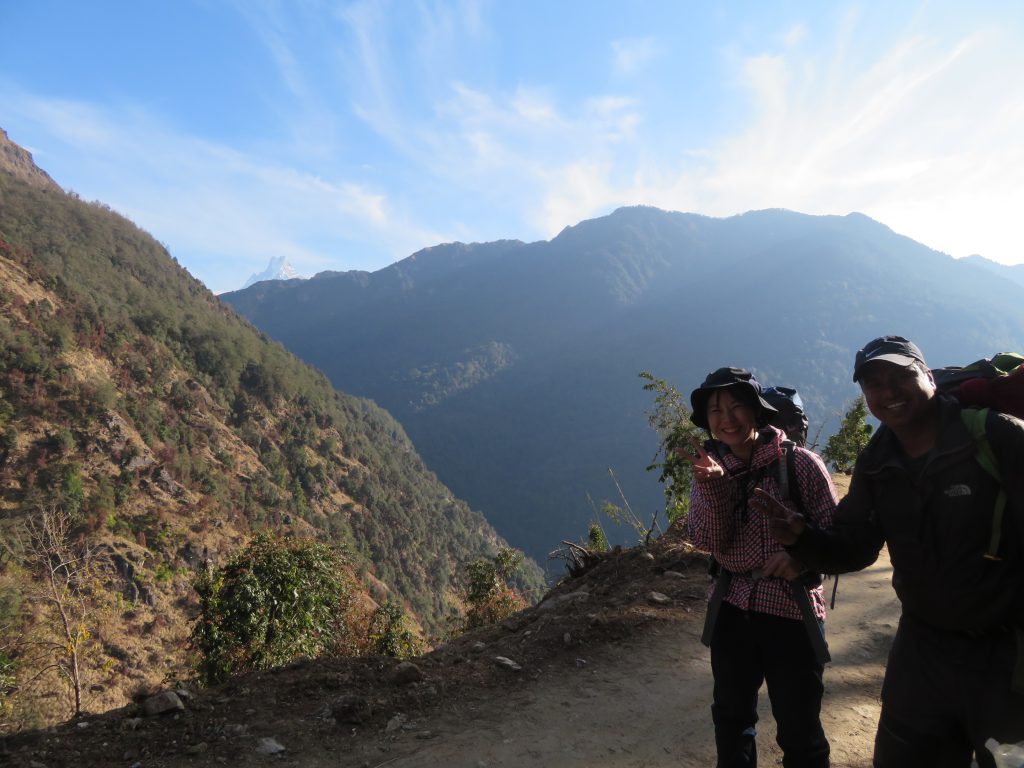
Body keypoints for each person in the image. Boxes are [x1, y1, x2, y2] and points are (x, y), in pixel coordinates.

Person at [754, 336, 1024, 768]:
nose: (889, 391)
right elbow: (854, 547)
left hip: (1008, 658)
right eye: (874, 384)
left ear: (928, 376)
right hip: (922, 652)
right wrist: (802, 538)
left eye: (901, 376)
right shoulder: (877, 461)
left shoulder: (996, 436)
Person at [684, 367, 837, 768]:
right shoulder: (708, 469)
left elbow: (837, 538)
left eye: (736, 407)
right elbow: (710, 542)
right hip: (732, 607)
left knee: (800, 728)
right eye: (715, 411)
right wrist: (715, 488)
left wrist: (801, 556)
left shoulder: (800, 464)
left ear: (757, 410)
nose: (726, 419)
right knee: (731, 720)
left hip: (790, 609)